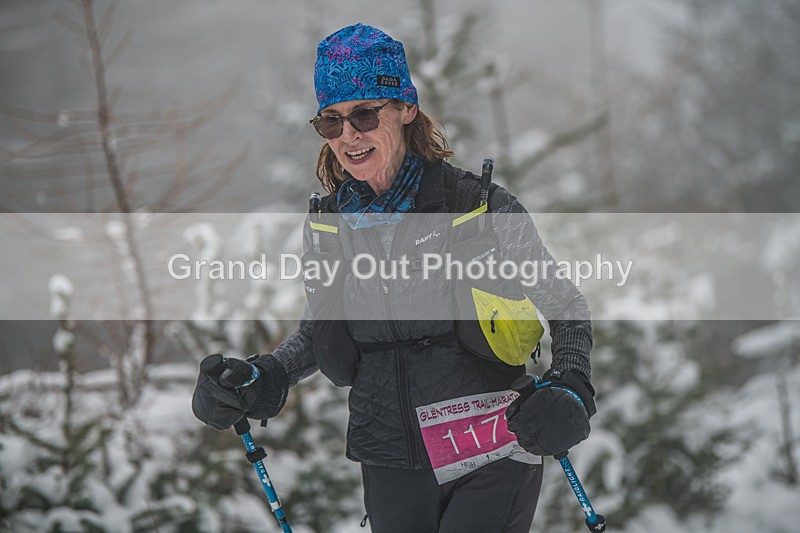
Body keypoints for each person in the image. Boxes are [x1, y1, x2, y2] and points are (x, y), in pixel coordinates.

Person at [192, 23, 595, 533]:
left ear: (406, 110)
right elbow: (322, 331)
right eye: (331, 122)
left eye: (364, 113)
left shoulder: (478, 206)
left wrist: (572, 383)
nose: (349, 135)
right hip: (389, 453)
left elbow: (565, 303)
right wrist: (264, 375)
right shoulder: (330, 226)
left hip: (491, 442)